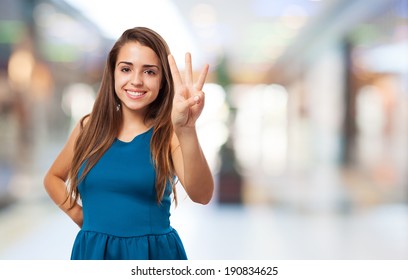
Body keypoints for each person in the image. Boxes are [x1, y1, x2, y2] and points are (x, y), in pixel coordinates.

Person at [43, 27, 214, 260]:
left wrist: (187, 130)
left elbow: (202, 194)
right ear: (113, 73)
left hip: (152, 257)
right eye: (126, 69)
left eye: (150, 72)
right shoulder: (88, 128)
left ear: (163, 81)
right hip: (93, 253)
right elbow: (52, 178)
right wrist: (82, 217)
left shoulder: (168, 133)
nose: (136, 81)